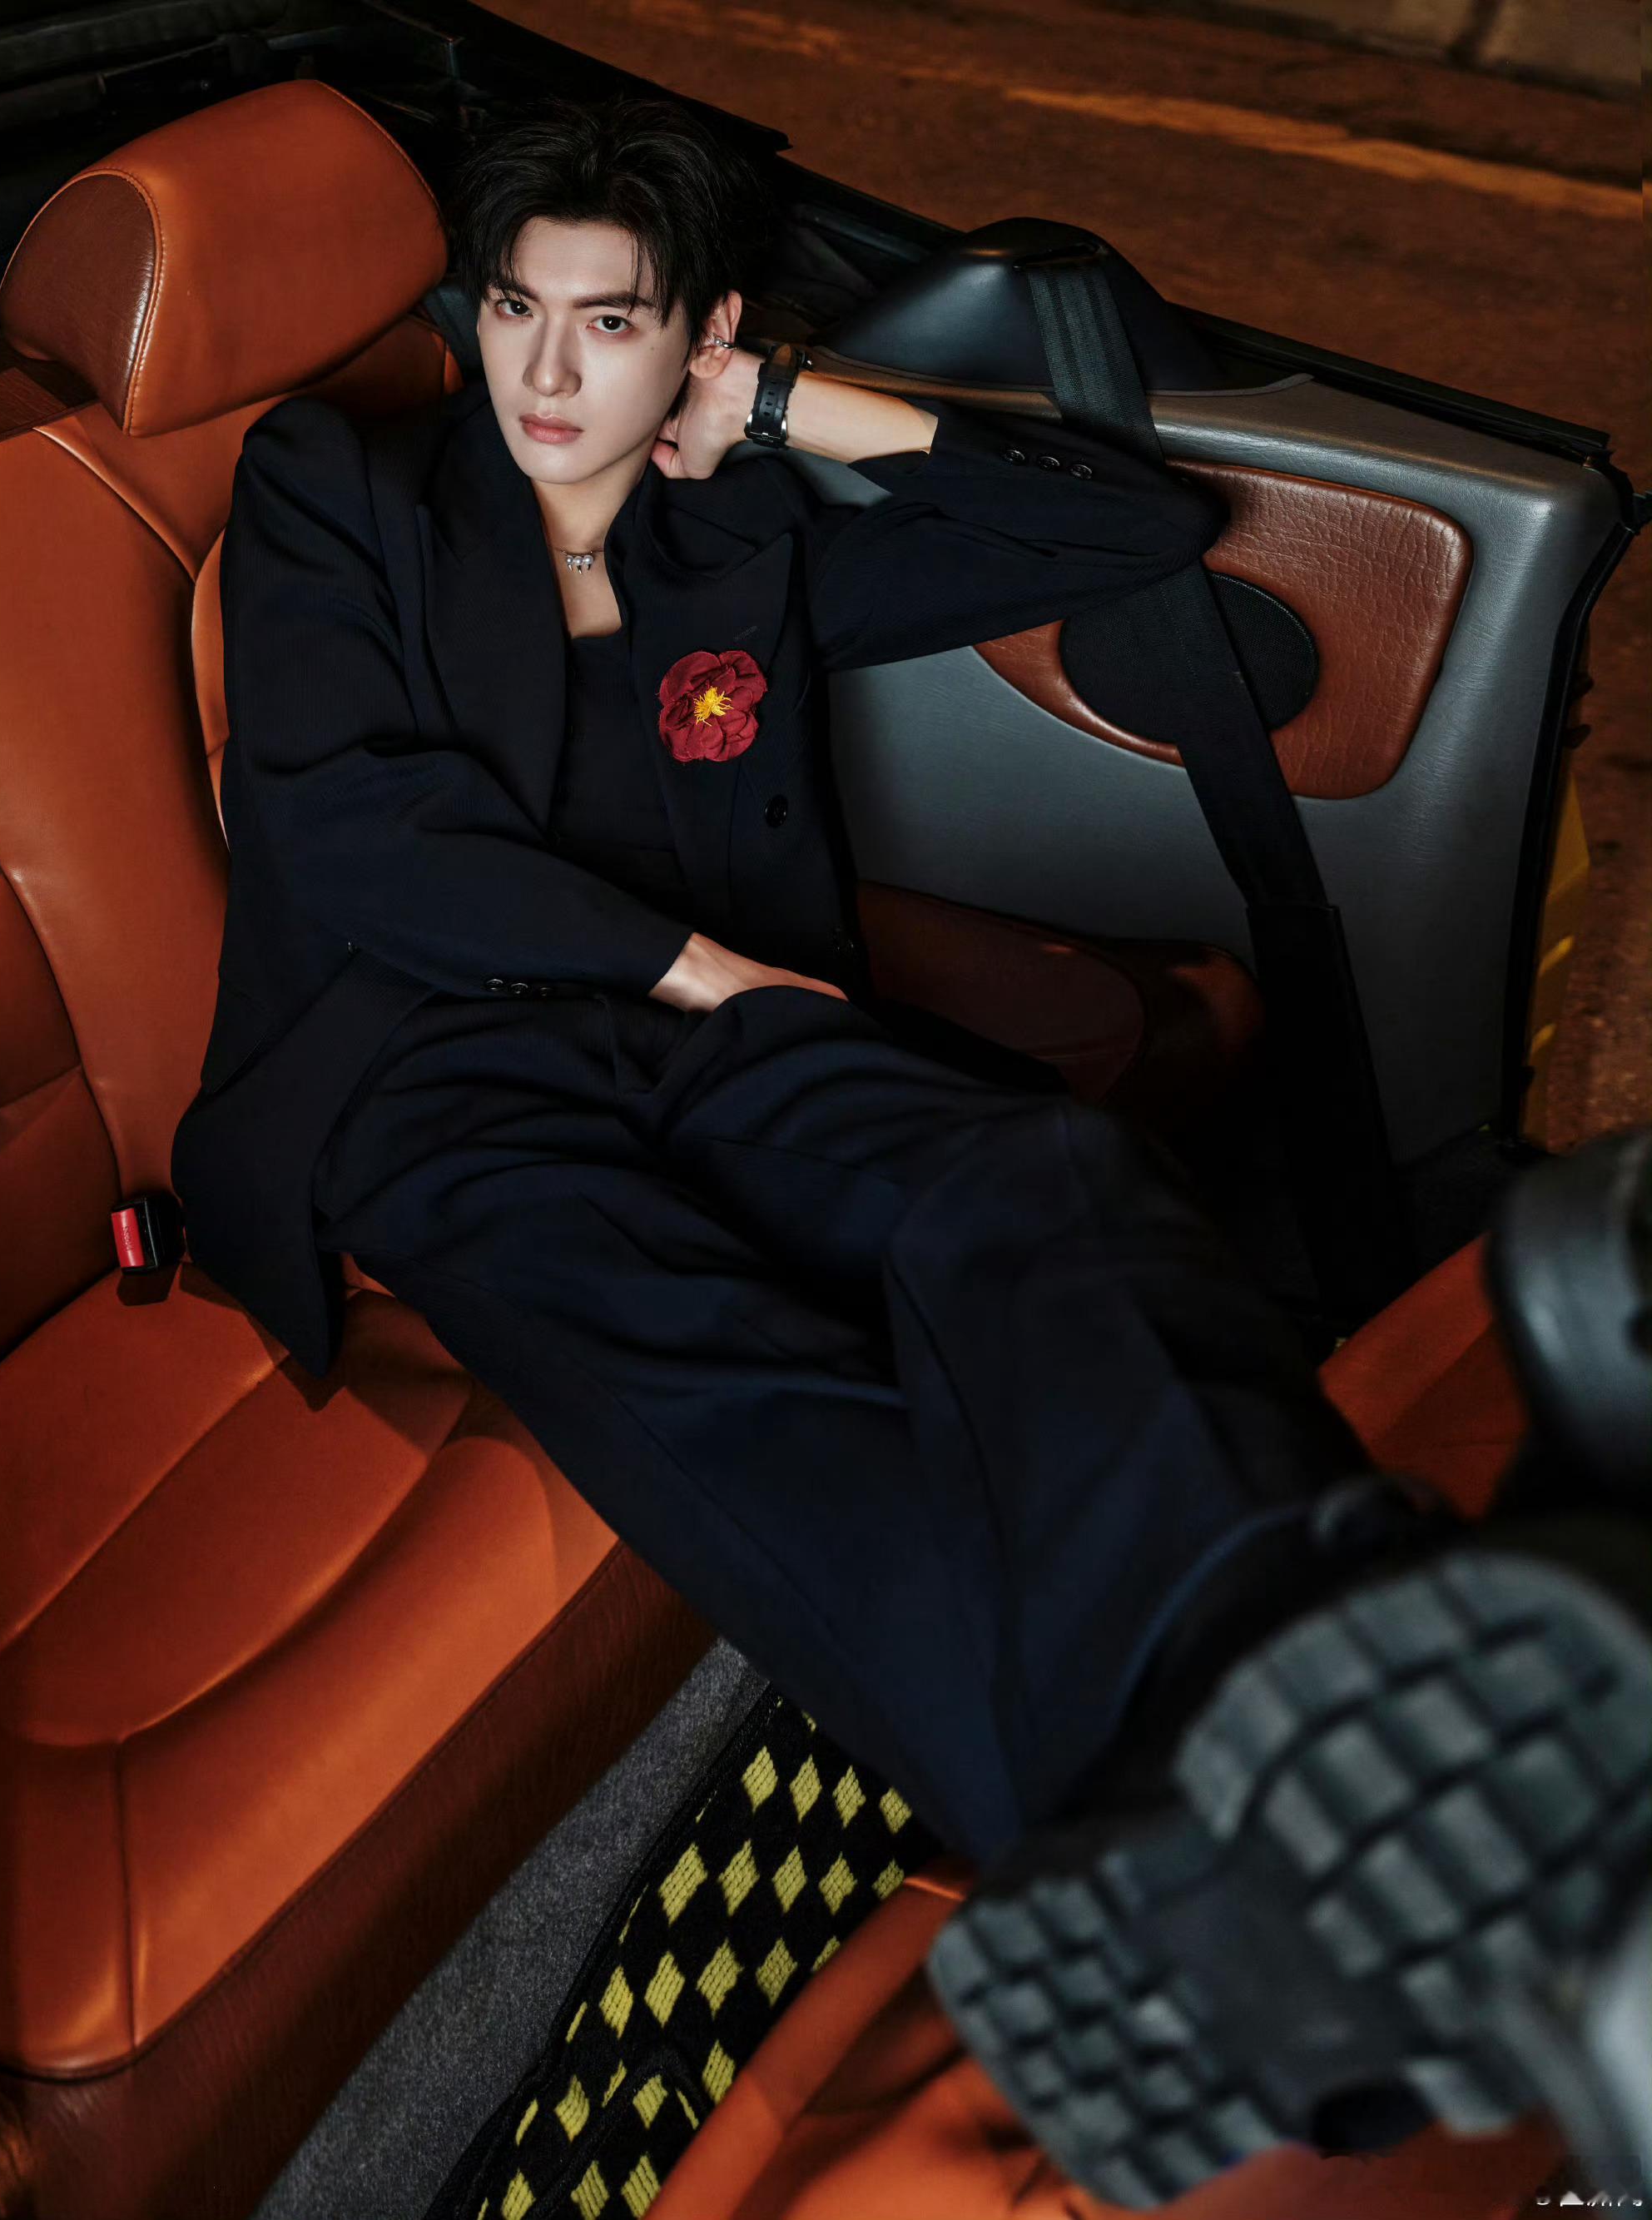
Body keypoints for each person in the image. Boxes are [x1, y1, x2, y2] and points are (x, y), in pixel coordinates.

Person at [171, 92, 1652, 2210]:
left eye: (614, 322)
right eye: (513, 310)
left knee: (1039, 1177)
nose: (549, 372)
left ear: (701, 333)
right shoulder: (343, 486)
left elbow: (1123, 531)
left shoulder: (733, 530)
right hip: (433, 1065)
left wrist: (792, 406)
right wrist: (707, 970)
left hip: (726, 1030)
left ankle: (1289, 1649)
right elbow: (346, 826)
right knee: (729, 1376)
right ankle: (1273, 1862)